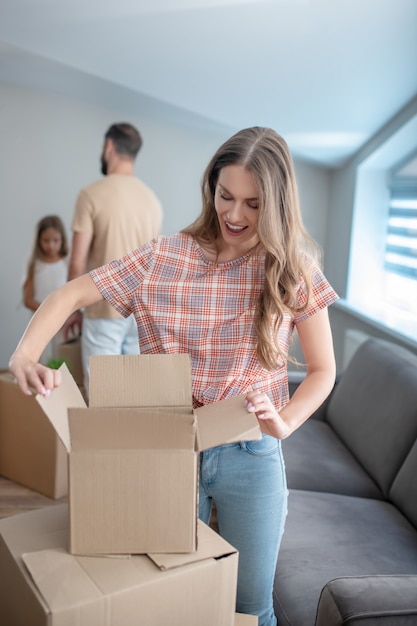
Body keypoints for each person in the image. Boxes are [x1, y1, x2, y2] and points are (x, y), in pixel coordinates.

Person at [9, 126, 338, 626]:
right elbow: (72, 293)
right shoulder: (164, 256)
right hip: (165, 449)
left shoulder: (292, 268)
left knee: (251, 606)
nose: (234, 214)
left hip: (250, 452)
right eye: (226, 195)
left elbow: (323, 370)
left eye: (253, 204)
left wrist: (287, 421)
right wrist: (25, 354)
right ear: (211, 188)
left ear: (277, 204)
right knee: (170, 598)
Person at [65, 122, 163, 395]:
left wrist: (72, 309)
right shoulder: (152, 200)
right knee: (131, 394)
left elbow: (77, 262)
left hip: (103, 308)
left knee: (102, 394)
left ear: (109, 146)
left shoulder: (91, 195)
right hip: (140, 312)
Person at [22, 214, 69, 364]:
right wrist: (48, 311)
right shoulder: (34, 265)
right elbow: (27, 299)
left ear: (62, 239)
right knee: (43, 360)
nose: (51, 245)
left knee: (64, 360)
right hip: (40, 322)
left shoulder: (67, 263)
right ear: (38, 241)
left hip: (64, 323)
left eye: (55, 241)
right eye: (46, 241)